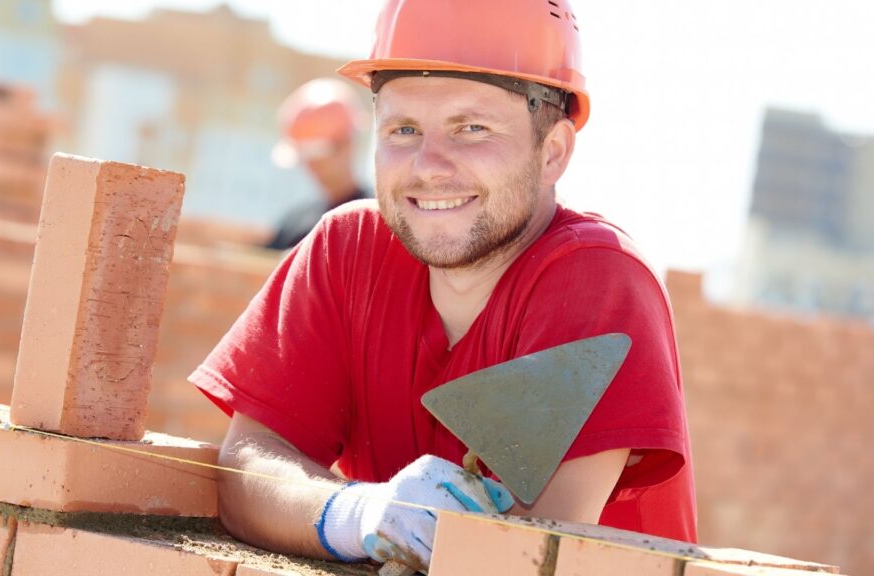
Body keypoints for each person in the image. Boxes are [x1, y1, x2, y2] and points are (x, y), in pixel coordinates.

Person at [190, 0, 697, 572]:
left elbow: (529, 555)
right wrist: (357, 514)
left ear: (551, 151)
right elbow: (246, 468)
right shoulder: (345, 250)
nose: (429, 166)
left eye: (471, 128)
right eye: (404, 129)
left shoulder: (597, 279)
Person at [265, 77, 370, 250]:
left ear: (347, 144)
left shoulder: (377, 222)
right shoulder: (295, 222)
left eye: (317, 152)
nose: (311, 165)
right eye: (305, 155)